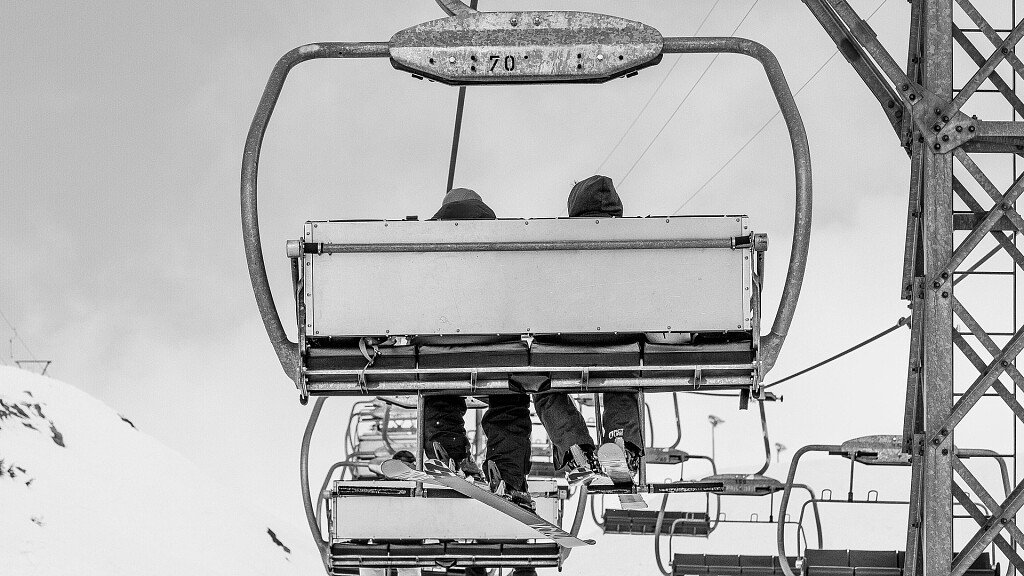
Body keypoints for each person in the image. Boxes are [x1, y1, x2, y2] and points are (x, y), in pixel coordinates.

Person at [417, 188, 538, 576]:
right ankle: (508, 472)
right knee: (510, 399)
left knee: (438, 386)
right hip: (497, 344)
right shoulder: (506, 244)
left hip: (437, 345)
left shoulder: (422, 248)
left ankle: (446, 449)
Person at [532, 175, 644, 482]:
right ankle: (621, 440)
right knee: (623, 380)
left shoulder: (552, 245)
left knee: (544, 388)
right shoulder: (638, 243)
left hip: (561, 343)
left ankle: (575, 447)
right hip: (619, 340)